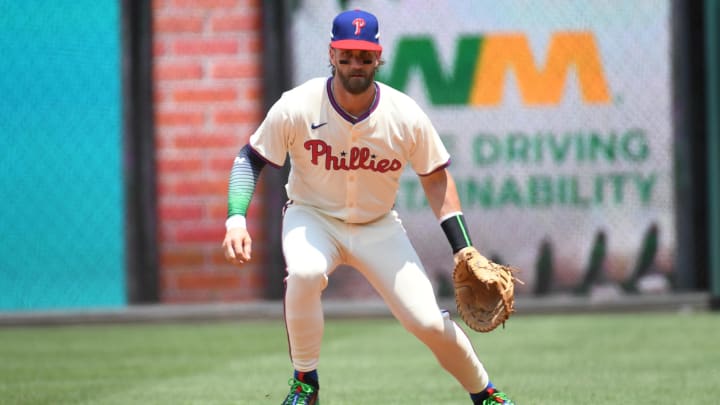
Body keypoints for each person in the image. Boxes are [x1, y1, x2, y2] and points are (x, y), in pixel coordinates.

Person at [222, 9, 515, 405]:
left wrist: (462, 246)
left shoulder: (403, 114)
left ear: (379, 57)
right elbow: (250, 157)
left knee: (427, 322)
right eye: (346, 54)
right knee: (306, 272)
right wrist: (236, 218)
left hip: (378, 226)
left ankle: (487, 395)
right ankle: (305, 383)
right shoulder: (298, 105)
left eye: (364, 55)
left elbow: (435, 177)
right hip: (312, 216)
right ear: (331, 54)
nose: (355, 63)